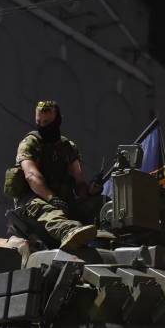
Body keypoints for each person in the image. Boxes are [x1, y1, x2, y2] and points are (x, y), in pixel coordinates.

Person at [14, 100, 102, 251]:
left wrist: (89, 191)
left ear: (57, 120)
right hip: (33, 200)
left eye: (47, 121)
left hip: (62, 200)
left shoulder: (68, 148)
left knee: (99, 202)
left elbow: (79, 180)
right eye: (39, 122)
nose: (42, 125)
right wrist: (51, 198)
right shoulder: (30, 143)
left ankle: (106, 236)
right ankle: (68, 232)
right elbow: (31, 175)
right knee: (50, 211)